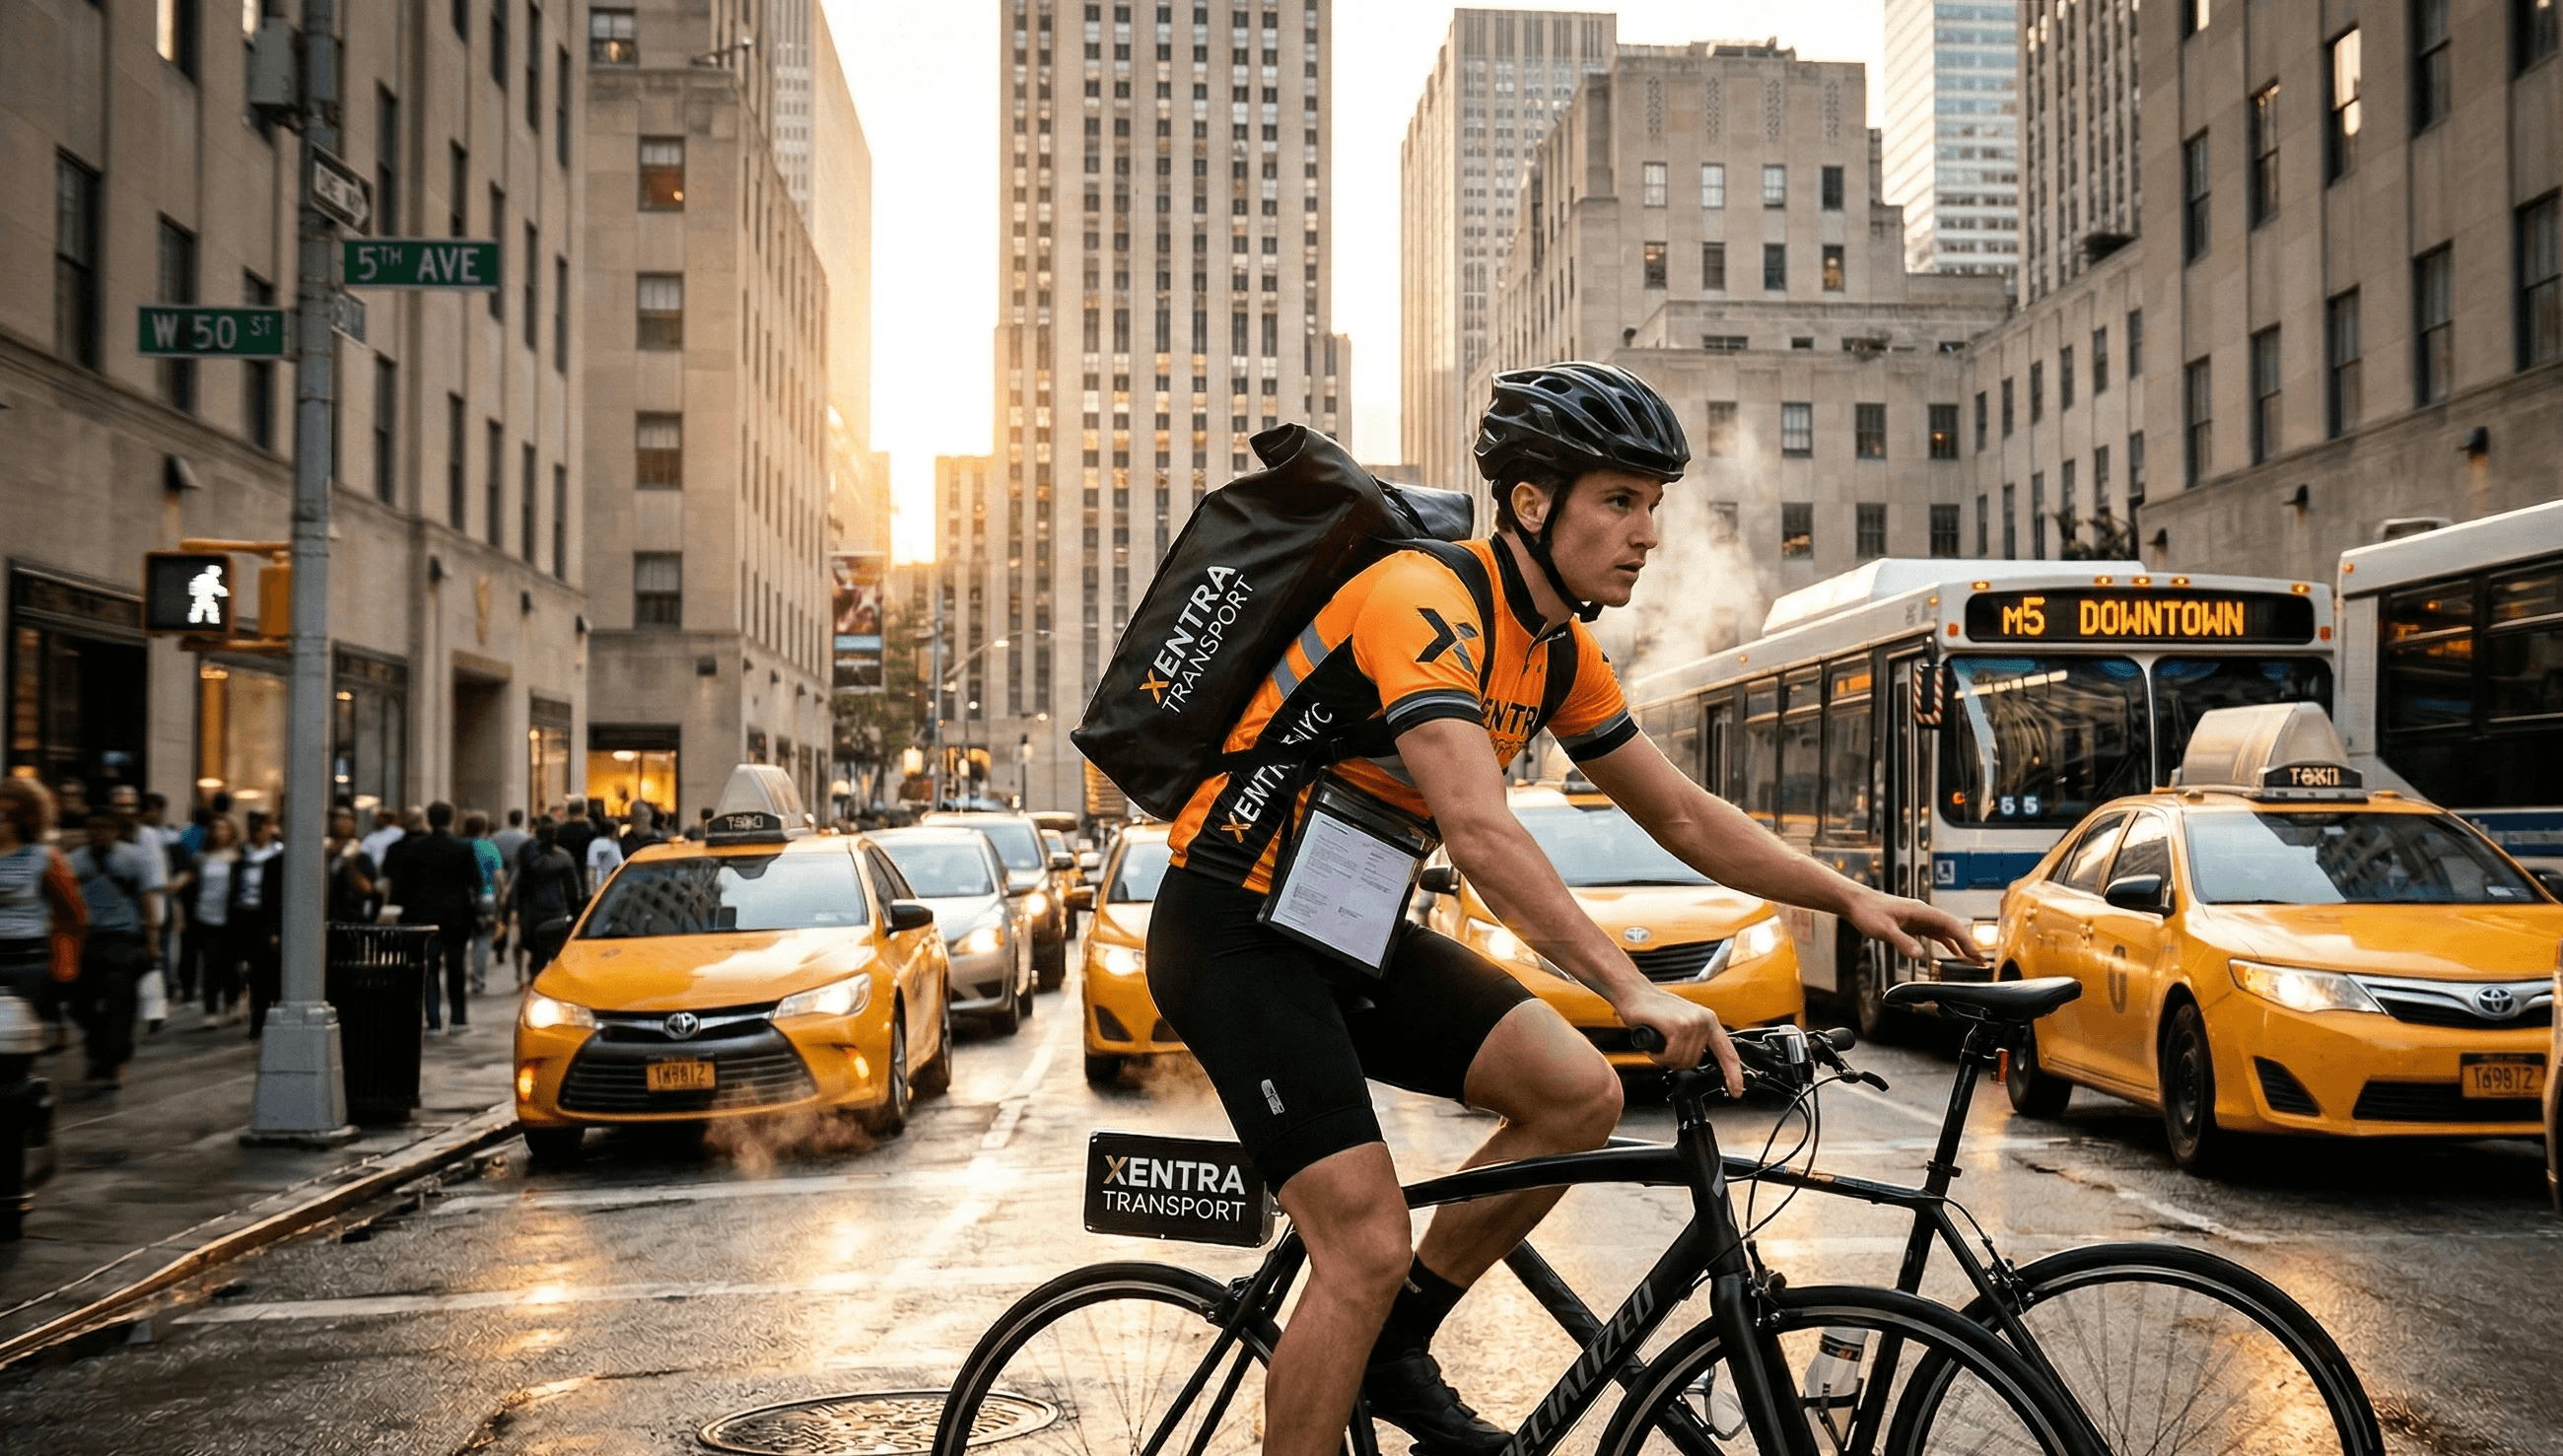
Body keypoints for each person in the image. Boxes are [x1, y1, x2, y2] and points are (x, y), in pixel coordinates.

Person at [1143, 364, 1982, 1455]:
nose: (1644, 533)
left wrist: (1853, 896)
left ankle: (1397, 1342)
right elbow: (1481, 831)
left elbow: (1679, 814)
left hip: (1340, 931)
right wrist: (1629, 987)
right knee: (1357, 1243)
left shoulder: (1552, 650)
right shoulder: (1421, 598)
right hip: (1232, 929)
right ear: (1532, 503)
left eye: (1653, 505)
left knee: (1575, 1092)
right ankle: (1366, 1314)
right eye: (1618, 501)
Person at [65, 809, 166, 1084]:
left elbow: (147, 899)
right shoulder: (75, 860)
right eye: (92, 828)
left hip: (123, 937)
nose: (97, 834)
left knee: (119, 997)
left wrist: (152, 940)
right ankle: (99, 1047)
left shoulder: (134, 858)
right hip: (88, 937)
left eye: (103, 828)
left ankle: (115, 1062)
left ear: (115, 831)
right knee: (79, 1003)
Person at [379, 801, 484, 1033]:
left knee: (430, 968)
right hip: (456, 916)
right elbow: (475, 883)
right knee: (456, 967)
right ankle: (458, 1018)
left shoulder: (415, 849)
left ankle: (433, 1019)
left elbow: (402, 885)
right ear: (451, 818)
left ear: (429, 818)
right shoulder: (462, 848)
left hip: (423, 914)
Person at [0, 781, 85, 1038]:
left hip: (29, 960)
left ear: (21, 819)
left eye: (4, 816)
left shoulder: (45, 858)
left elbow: (72, 916)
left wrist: (65, 964)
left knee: (19, 1037)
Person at [175, 816, 245, 1026]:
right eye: (215, 828)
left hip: (230, 919)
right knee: (210, 964)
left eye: (224, 829)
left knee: (231, 965)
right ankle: (211, 1009)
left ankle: (233, 1002)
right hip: (205, 917)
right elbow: (187, 883)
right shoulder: (201, 858)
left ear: (231, 833)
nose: (219, 833)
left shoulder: (236, 858)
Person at [507, 818, 585, 977]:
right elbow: (572, 889)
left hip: (532, 910)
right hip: (557, 909)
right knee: (555, 950)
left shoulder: (528, 857)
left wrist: (515, 909)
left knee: (537, 952)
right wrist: (575, 909)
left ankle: (535, 975)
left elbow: (519, 885)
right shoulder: (564, 858)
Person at [235, 812, 286, 1037]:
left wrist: (275, 928)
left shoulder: (278, 855)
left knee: (269, 971)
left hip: (268, 919)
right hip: (249, 916)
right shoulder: (244, 853)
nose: (257, 830)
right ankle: (258, 1018)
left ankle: (267, 1016)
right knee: (256, 971)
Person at [463, 811, 504, 996]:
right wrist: (501, 895)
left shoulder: (461, 846)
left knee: (461, 940)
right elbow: (498, 875)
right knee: (482, 940)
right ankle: (477, 981)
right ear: (483, 827)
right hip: (487, 898)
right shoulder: (490, 847)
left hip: (463, 898)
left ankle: (461, 974)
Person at [323, 807, 379, 926]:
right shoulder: (322, 854)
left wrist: (349, 863)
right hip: (322, 918)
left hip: (351, 921)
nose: (342, 822)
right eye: (338, 818)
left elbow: (367, 890)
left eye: (347, 818)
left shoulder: (360, 856)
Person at [553, 797, 597, 893]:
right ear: (584, 811)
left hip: (564, 876)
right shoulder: (590, 830)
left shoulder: (560, 830)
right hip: (584, 876)